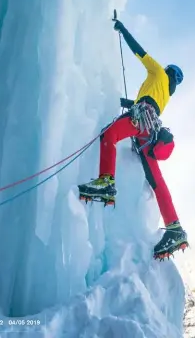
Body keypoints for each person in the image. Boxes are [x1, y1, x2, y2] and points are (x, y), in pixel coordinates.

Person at [78, 17, 188, 260]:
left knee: (110, 135)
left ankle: (107, 180)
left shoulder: (158, 72)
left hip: (141, 119)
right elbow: (142, 102)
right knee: (156, 180)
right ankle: (174, 227)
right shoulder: (165, 95)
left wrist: (123, 29)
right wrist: (117, 101)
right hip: (151, 130)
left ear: (168, 70)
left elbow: (139, 51)